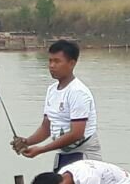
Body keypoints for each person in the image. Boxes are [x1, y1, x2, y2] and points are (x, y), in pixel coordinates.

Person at [13, 40, 103, 170]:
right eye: (50, 61)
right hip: (64, 153)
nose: (52, 66)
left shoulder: (78, 92)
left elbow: (77, 133)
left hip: (83, 153)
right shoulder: (52, 90)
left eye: (57, 61)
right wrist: (26, 142)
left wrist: (41, 150)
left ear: (72, 63)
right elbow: (46, 127)